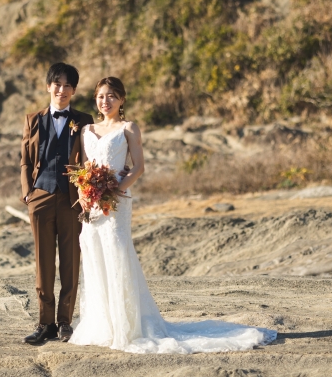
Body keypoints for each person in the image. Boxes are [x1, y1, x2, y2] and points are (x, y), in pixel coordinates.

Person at [68, 76, 277, 353]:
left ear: (122, 99)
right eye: (101, 96)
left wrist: (115, 188)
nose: (105, 101)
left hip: (117, 201)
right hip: (92, 204)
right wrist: (85, 192)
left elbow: (138, 167)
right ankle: (101, 324)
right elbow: (85, 166)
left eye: (111, 96)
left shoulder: (128, 128)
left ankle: (126, 326)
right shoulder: (87, 129)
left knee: (117, 253)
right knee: (94, 253)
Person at [20, 63, 94, 345]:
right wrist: (29, 193)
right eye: (57, 84)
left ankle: (65, 322)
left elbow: (91, 159)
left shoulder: (84, 120)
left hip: (72, 200)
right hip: (40, 197)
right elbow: (25, 160)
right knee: (44, 263)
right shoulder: (33, 119)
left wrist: (88, 192)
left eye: (67, 86)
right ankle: (44, 323)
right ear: (48, 86)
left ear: (74, 90)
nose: (62, 90)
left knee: (71, 263)